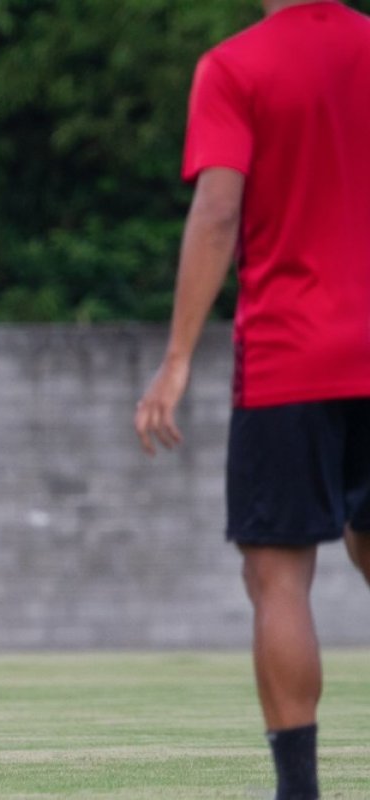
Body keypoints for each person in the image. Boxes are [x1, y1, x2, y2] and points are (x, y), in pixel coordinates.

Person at [134, 3, 370, 798]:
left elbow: (218, 213)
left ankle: (299, 791)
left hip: (290, 358)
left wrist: (175, 360)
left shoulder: (237, 67)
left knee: (279, 580)